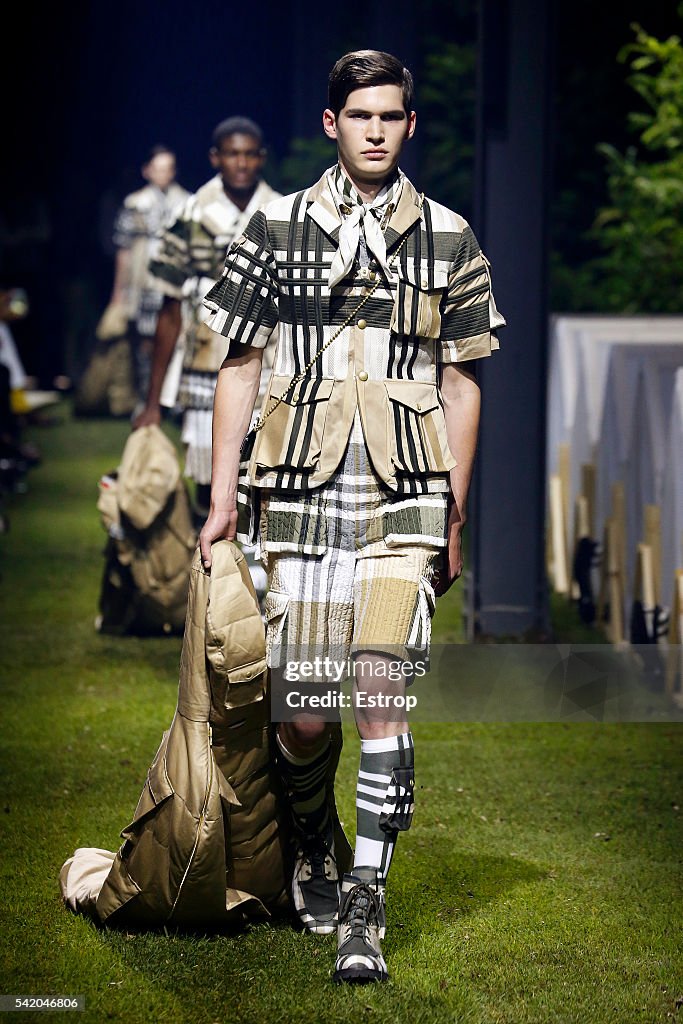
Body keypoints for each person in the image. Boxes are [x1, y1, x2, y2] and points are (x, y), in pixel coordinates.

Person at [199, 50, 505, 984]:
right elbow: (238, 364)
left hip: (404, 494)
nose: (376, 129)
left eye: (391, 116)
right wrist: (219, 497)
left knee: (378, 692)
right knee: (300, 716)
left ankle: (364, 904)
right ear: (331, 123)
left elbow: (462, 380)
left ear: (409, 126)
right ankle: (312, 839)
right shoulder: (276, 223)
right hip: (294, 487)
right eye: (359, 114)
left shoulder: (448, 236)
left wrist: (454, 513)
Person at [133, 118, 281, 529]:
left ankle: (256, 574)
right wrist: (152, 401)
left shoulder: (280, 212)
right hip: (206, 357)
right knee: (208, 465)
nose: (242, 163)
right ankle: (214, 571)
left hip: (270, 357)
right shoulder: (192, 212)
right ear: (216, 157)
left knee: (266, 465)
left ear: (261, 158)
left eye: (250, 154)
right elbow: (169, 306)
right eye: (232, 153)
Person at [102, 146, 189, 399]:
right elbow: (124, 249)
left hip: (175, 278)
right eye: (158, 168)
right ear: (147, 171)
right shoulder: (135, 203)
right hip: (143, 278)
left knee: (178, 335)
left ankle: (171, 396)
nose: (163, 174)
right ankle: (145, 394)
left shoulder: (186, 201)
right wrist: (119, 292)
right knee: (143, 339)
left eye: (167, 168)